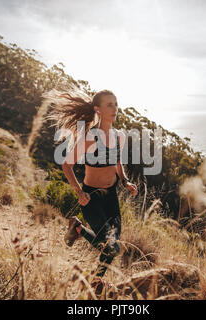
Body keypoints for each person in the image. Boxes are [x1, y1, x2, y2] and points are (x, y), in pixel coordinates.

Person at [44, 88, 138, 295]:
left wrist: (125, 181)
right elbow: (66, 165)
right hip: (91, 198)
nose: (115, 108)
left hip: (111, 197)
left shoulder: (119, 136)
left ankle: (80, 235)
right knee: (111, 247)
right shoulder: (89, 137)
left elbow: (117, 162)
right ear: (98, 110)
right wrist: (79, 192)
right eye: (109, 105)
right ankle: (95, 283)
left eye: (115, 103)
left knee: (113, 246)